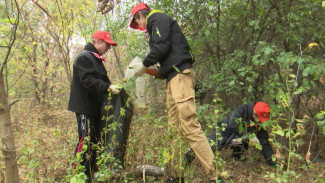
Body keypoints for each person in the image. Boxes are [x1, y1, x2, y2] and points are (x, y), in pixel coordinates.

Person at [129, 3, 218, 183]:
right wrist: (145, 70)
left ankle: (215, 176)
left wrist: (145, 63)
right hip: (172, 79)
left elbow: (160, 47)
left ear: (140, 15)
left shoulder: (157, 18)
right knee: (174, 130)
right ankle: (176, 176)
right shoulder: (156, 27)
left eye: (136, 22)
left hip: (181, 78)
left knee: (190, 127)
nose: (138, 27)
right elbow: (164, 68)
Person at [68, 30, 121, 182]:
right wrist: (107, 87)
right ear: (98, 42)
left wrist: (112, 87)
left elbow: (103, 81)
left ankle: (90, 173)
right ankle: (78, 174)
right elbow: (88, 80)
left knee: (94, 141)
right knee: (85, 140)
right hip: (85, 107)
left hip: (95, 109)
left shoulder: (96, 60)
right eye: (107, 45)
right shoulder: (84, 57)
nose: (109, 48)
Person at [186, 101, 276, 167]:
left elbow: (265, 143)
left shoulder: (260, 124)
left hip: (238, 137)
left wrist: (273, 162)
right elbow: (232, 124)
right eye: (259, 119)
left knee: (243, 140)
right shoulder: (242, 110)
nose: (260, 122)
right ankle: (187, 160)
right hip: (225, 131)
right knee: (210, 145)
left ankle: (237, 157)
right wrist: (250, 136)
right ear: (254, 113)